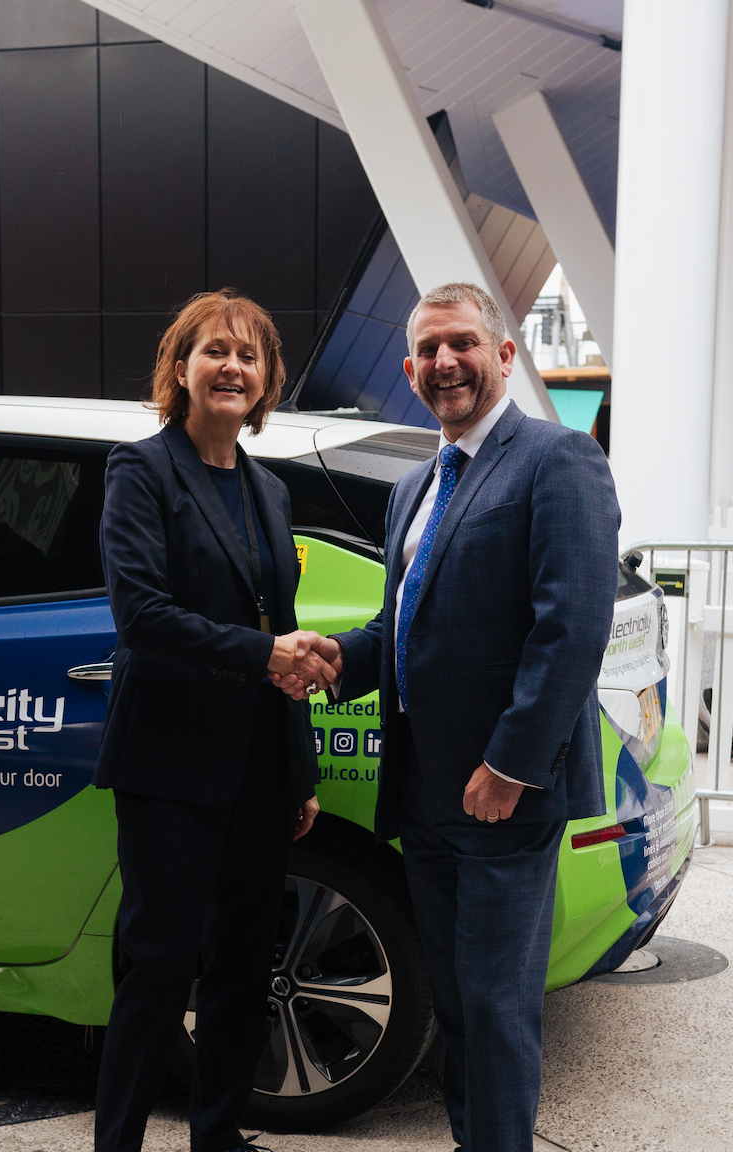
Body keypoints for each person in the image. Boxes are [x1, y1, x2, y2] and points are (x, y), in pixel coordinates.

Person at [282, 282, 618, 1152]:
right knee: (461, 1002)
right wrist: (337, 658)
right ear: (408, 371)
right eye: (428, 350)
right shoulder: (413, 487)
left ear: (503, 354)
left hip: (501, 793)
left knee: (498, 1009)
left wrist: (511, 765)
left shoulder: (556, 460)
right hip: (425, 793)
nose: (445, 362)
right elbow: (402, 625)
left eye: (461, 343)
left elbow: (572, 628)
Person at [93, 288, 335, 1152]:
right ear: (181, 367)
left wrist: (298, 771)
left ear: (267, 379)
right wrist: (265, 654)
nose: (233, 367)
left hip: (259, 768)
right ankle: (118, 1142)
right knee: (159, 965)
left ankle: (219, 1135)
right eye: (215, 351)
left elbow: (282, 627)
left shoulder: (269, 489)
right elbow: (142, 617)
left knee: (243, 963)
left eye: (249, 356)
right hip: (168, 761)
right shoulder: (141, 471)